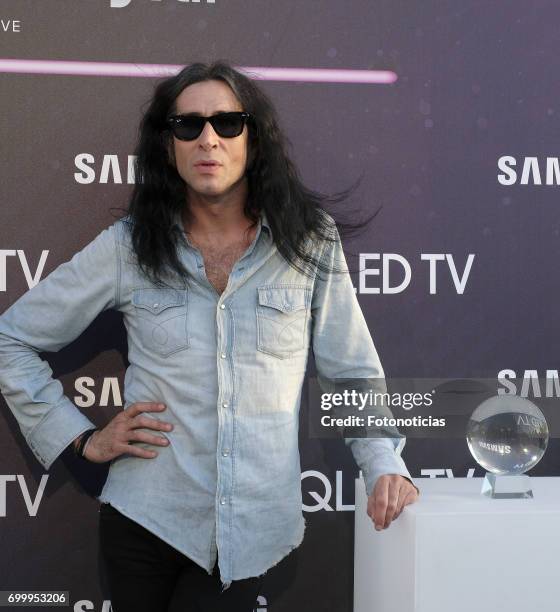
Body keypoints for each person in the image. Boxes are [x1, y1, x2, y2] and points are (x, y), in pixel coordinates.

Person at [0, 60, 419, 612]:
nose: (208, 140)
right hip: (145, 522)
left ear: (253, 138)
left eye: (227, 123)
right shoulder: (129, 247)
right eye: (188, 125)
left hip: (256, 535)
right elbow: (11, 339)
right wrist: (81, 440)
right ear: (167, 145)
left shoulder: (309, 243)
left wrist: (383, 462)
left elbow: (351, 372)